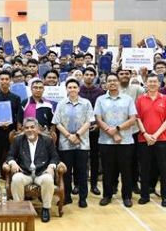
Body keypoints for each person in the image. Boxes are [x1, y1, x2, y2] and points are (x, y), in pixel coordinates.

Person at [93, 73, 138, 207]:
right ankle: (107, 195)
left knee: (126, 170)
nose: (112, 83)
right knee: (107, 170)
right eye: (109, 81)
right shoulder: (100, 99)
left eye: (114, 80)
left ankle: (127, 196)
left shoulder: (128, 99)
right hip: (106, 141)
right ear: (106, 84)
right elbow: (98, 119)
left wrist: (117, 129)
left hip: (125, 141)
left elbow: (132, 118)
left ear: (118, 82)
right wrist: (111, 132)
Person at [7, 118, 60, 222]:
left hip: (41, 172)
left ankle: (46, 208)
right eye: (27, 128)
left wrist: (51, 166)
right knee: (16, 179)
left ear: (38, 128)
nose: (29, 130)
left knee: (48, 179)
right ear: (23, 130)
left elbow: (55, 157)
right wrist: (12, 163)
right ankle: (19, 209)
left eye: (32, 127)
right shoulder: (18, 140)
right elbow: (10, 155)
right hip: (25, 172)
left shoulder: (47, 140)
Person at [52, 78, 94, 207]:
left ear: (79, 89)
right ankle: (66, 197)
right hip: (65, 142)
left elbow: (89, 121)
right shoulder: (61, 104)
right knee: (66, 172)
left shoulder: (86, 103)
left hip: (82, 142)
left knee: (82, 171)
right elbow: (57, 122)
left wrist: (77, 135)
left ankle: (83, 198)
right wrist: (68, 135)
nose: (72, 89)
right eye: (69, 87)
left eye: (74, 87)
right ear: (66, 89)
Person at [134, 74, 166, 207]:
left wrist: (155, 135)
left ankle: (165, 197)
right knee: (144, 169)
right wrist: (145, 134)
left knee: (164, 169)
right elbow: (137, 118)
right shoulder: (140, 99)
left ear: (159, 84)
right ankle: (144, 195)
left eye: (154, 82)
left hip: (161, 139)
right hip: (144, 139)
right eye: (150, 82)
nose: (152, 84)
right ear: (146, 84)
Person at [0, 70, 23, 188]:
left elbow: (19, 116)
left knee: (12, 157)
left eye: (6, 79)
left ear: (10, 81)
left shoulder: (16, 98)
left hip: (11, 132)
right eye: (2, 79)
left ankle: (12, 185)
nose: (4, 81)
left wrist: (11, 123)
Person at [77, 67, 104, 195]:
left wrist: (98, 124)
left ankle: (94, 184)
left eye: (91, 74)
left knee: (94, 157)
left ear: (94, 76)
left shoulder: (100, 92)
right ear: (83, 76)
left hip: (95, 128)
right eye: (86, 74)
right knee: (80, 157)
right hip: (80, 129)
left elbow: (102, 111)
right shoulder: (77, 90)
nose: (89, 76)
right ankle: (78, 184)